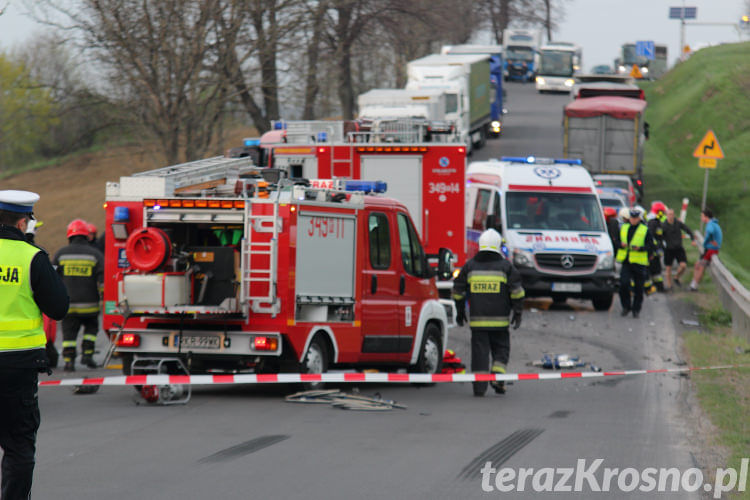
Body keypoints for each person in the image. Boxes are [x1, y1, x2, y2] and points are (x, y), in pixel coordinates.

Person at [0, 190, 69, 499]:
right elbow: (58, 308)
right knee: (18, 447)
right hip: (17, 367)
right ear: (23, 221)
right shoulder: (31, 257)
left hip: (17, 365)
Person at [453, 229, 525, 397]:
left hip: (478, 323)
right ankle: (498, 378)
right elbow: (517, 293)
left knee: (479, 354)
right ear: (498, 246)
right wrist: (518, 312)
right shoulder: (507, 267)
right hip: (500, 323)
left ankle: (479, 388)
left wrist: (459, 310)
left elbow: (458, 290)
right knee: (501, 350)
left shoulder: (469, 266)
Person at [53, 219, 104, 371]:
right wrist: (103, 297)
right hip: (90, 306)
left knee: (69, 334)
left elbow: (52, 277)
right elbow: (103, 280)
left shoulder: (60, 254)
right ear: (87, 236)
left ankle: (69, 362)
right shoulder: (95, 255)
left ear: (69, 236)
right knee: (91, 329)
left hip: (68, 306)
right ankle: (87, 356)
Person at [616, 207, 656, 318]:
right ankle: (626, 306)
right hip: (626, 260)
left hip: (639, 262)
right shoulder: (624, 228)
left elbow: (650, 245)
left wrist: (641, 248)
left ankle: (636, 309)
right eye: (632, 218)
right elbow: (617, 241)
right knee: (623, 284)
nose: (633, 220)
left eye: (635, 218)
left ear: (639, 218)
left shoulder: (644, 229)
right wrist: (620, 245)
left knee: (639, 288)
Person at [689, 208, 722, 291]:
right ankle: (693, 284)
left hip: (711, 249)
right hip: (710, 249)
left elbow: (710, 232)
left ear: (706, 217)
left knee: (700, 266)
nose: (701, 218)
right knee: (697, 264)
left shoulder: (710, 225)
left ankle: (694, 286)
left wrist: (704, 243)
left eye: (702, 216)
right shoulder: (714, 224)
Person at [661, 208, 694, 290]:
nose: (670, 216)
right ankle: (669, 285)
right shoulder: (663, 226)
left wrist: (693, 239)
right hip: (669, 249)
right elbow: (659, 237)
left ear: (674, 215)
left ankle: (676, 277)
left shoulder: (678, 223)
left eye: (672, 214)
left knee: (683, 265)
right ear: (666, 215)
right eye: (669, 214)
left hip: (678, 248)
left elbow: (687, 229)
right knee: (668, 268)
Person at [646, 201, 667, 292]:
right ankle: (653, 287)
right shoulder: (652, 222)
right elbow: (651, 237)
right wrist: (654, 249)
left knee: (656, 270)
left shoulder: (657, 221)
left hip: (655, 251)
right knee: (653, 269)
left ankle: (659, 287)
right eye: (662, 211)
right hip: (653, 251)